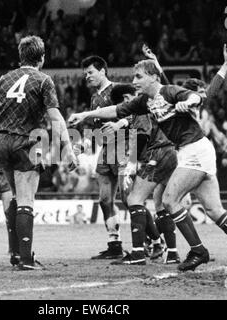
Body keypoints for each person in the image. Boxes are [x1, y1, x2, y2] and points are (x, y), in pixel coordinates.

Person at [68, 46, 227, 275]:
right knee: (214, 210)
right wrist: (85, 115)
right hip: (194, 151)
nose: (134, 81)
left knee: (170, 200)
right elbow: (115, 110)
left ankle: (197, 250)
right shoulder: (145, 101)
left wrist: (189, 101)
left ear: (153, 77)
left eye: (139, 76)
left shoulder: (170, 91)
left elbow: (195, 96)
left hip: (195, 151)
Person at [0, 35, 77, 270]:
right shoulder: (43, 80)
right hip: (26, 142)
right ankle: (26, 259)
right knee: (26, 199)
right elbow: (55, 117)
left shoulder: (3, 79)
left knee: (16, 196)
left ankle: (16, 254)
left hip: (1, 141)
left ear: (20, 55)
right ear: (42, 57)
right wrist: (67, 149)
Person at [108, 83, 178, 265]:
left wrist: (131, 164)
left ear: (126, 100)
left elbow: (142, 136)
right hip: (166, 153)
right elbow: (129, 122)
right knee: (162, 203)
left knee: (133, 199)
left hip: (153, 155)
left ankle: (142, 251)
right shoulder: (146, 104)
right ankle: (169, 251)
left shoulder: (142, 106)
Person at [79, 55, 129, 260]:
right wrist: (79, 148)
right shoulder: (94, 98)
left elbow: (133, 113)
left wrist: (120, 125)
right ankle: (114, 244)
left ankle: (155, 243)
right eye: (85, 74)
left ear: (102, 71)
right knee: (105, 199)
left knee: (130, 199)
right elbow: (91, 129)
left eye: (90, 72)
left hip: (125, 145)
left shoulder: (118, 91)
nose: (87, 77)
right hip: (107, 148)